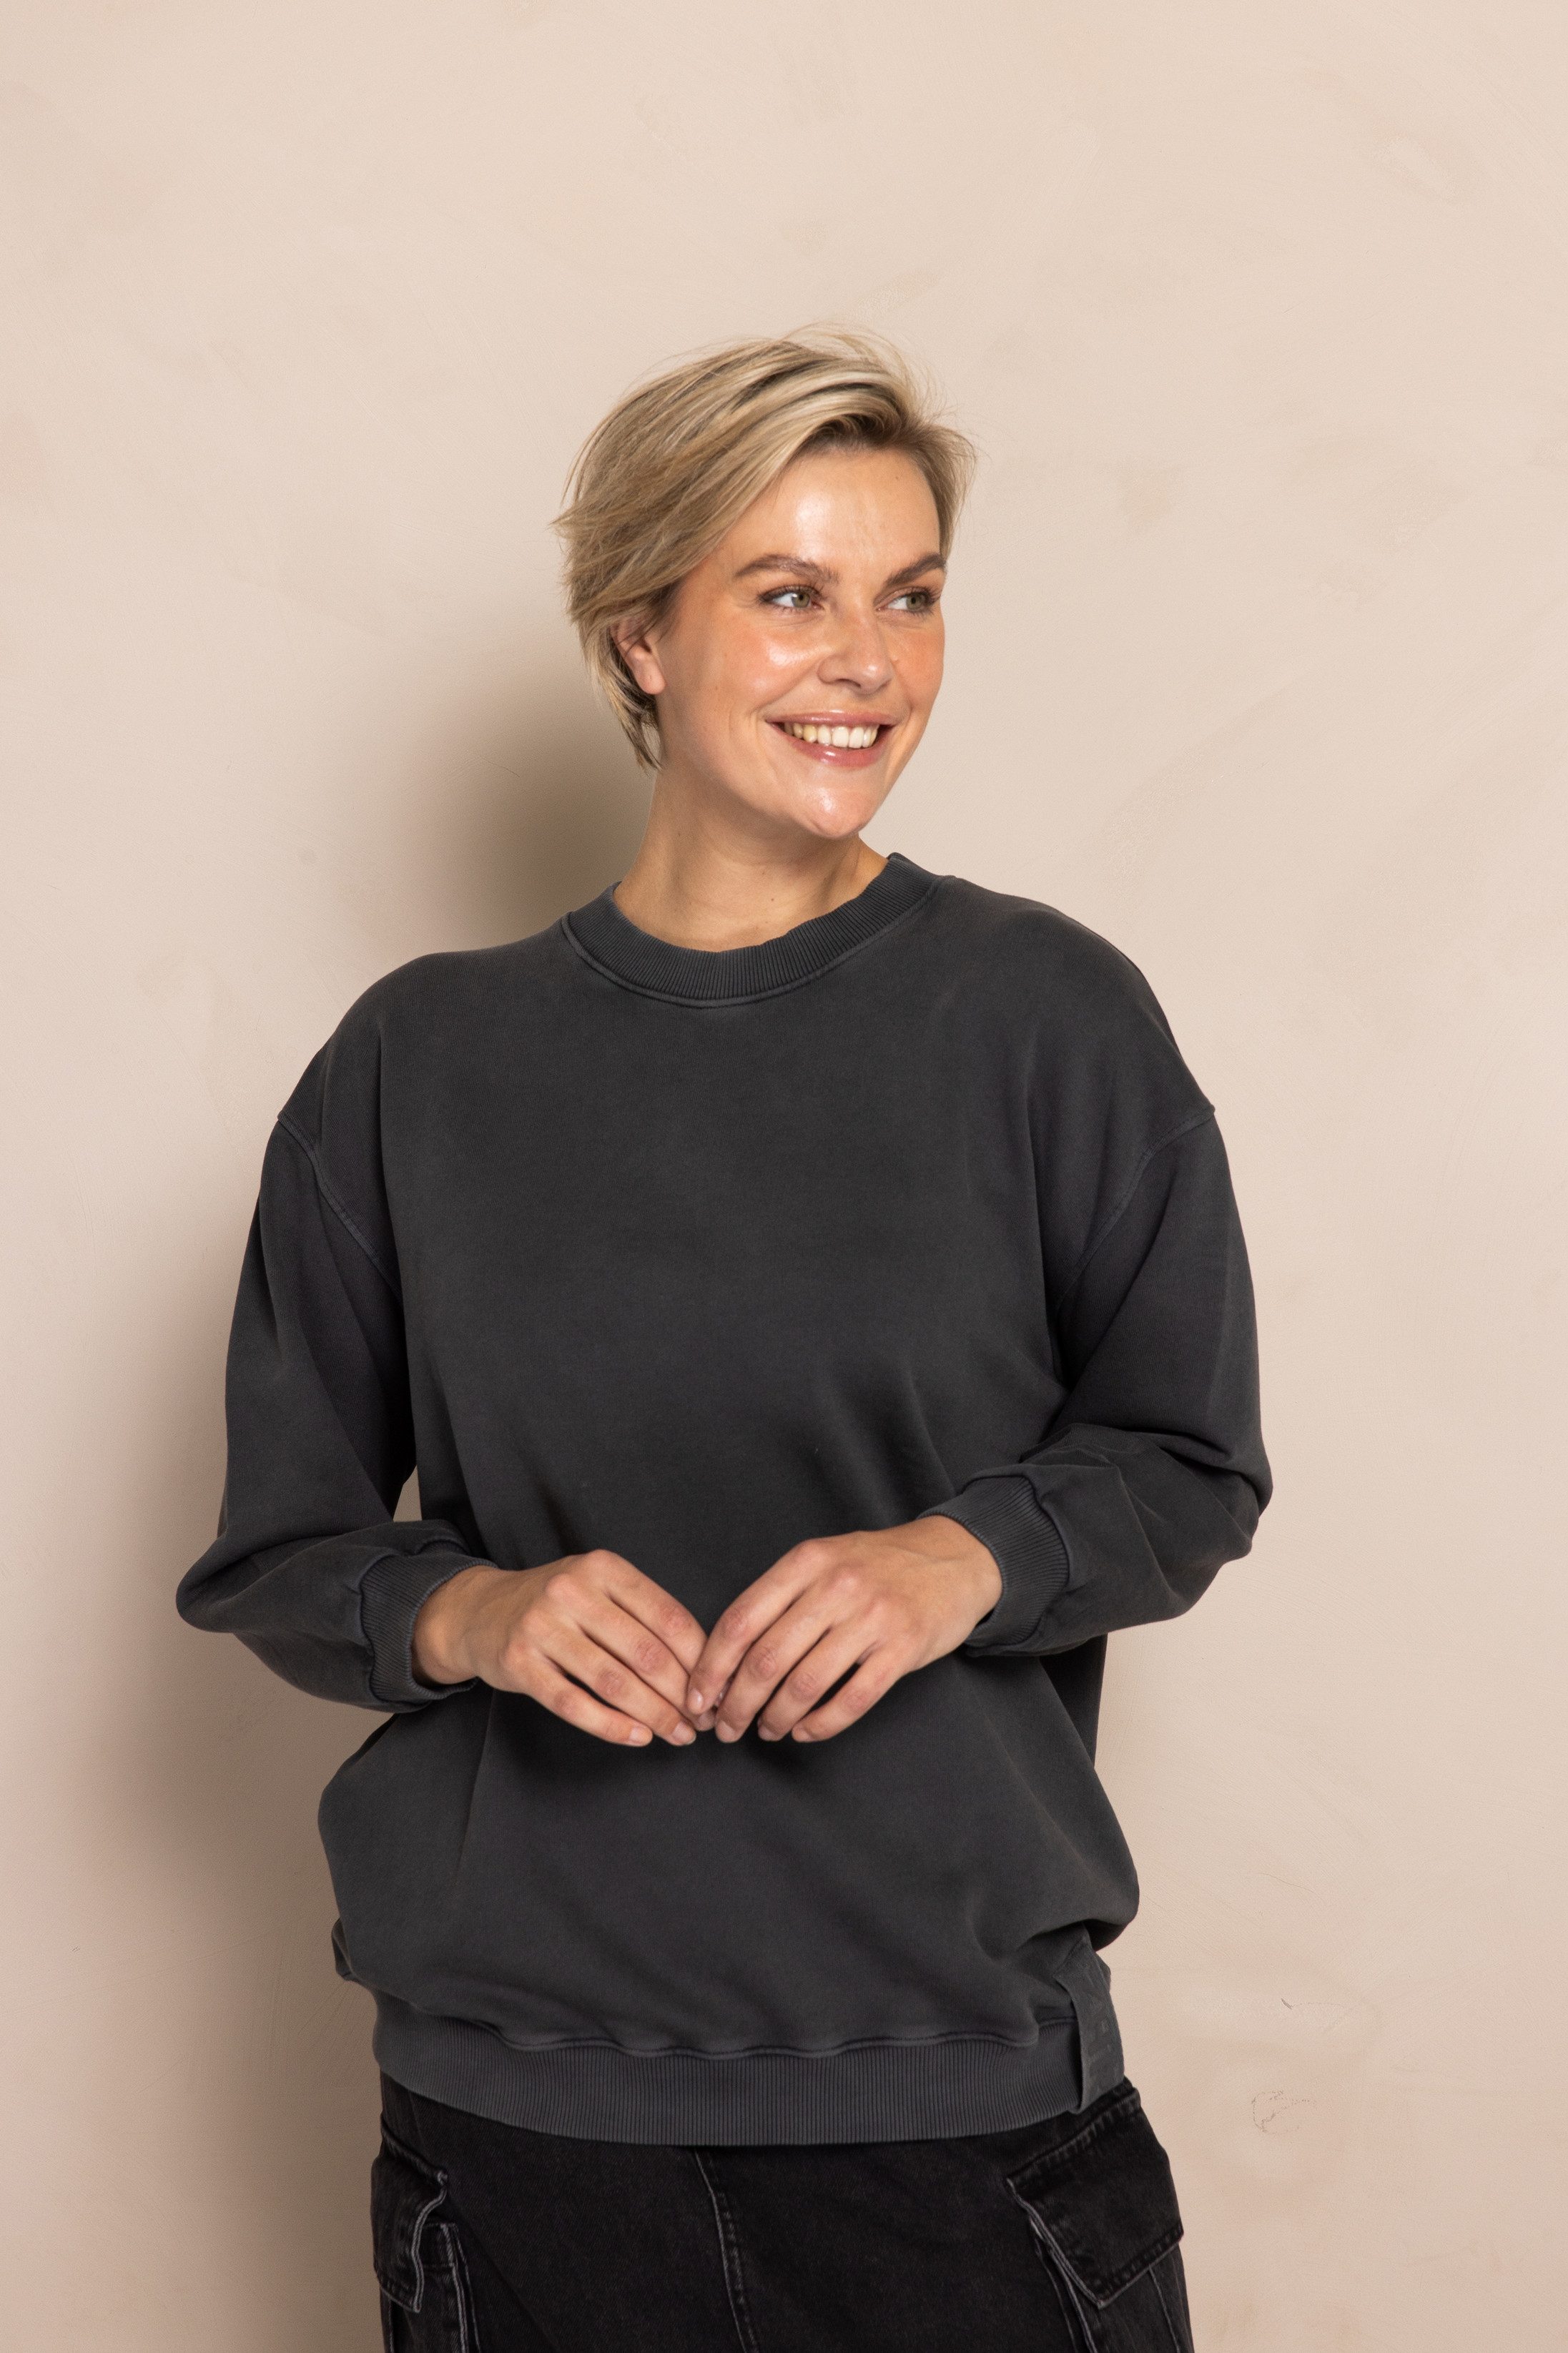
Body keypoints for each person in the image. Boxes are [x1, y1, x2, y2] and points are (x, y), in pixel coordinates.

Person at [177, 329, 1271, 2352]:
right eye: (789, 593)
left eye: (910, 595)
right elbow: (280, 1551)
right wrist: (473, 1613)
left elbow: (1188, 1462)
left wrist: (962, 1557)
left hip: (950, 2125)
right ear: (639, 636)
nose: (867, 660)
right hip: (521, 2140)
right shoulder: (418, 1065)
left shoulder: (1046, 1020)